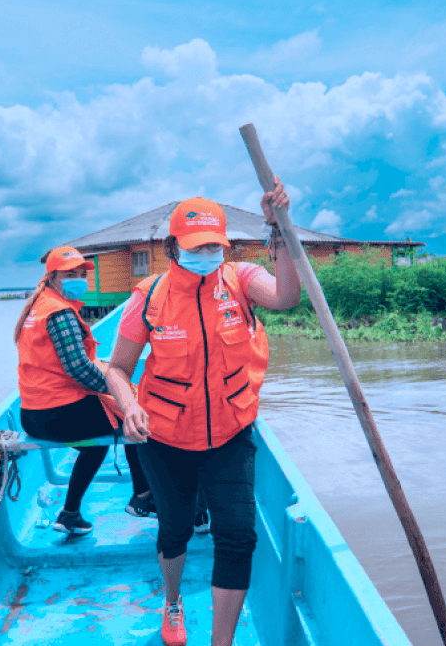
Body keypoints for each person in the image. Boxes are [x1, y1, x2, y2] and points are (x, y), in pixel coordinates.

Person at [105, 183, 301, 646]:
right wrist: (129, 404)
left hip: (231, 434)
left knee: (237, 537)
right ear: (173, 247)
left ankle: (221, 642)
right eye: (197, 246)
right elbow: (116, 369)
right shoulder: (149, 297)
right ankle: (173, 603)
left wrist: (280, 229)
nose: (208, 253)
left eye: (216, 244)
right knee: (175, 530)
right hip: (166, 437)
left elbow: (288, 295)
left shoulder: (242, 280)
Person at [15, 246, 155, 535]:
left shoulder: (38, 305)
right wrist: (121, 393)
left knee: (97, 444)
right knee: (134, 420)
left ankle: (69, 514)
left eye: (81, 274)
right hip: (57, 411)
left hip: (32, 412)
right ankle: (142, 497)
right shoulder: (60, 313)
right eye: (70, 274)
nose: (78, 279)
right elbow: (78, 368)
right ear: (53, 277)